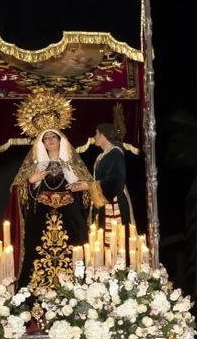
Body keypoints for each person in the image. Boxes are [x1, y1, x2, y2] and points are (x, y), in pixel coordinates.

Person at [11, 127, 91, 289]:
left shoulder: (72, 164)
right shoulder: (36, 165)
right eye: (46, 138)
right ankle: (36, 288)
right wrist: (30, 181)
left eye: (53, 136)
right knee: (36, 249)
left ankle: (75, 289)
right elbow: (17, 189)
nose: (50, 140)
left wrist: (81, 186)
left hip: (70, 217)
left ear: (61, 140)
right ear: (42, 143)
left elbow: (88, 191)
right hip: (40, 218)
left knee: (74, 248)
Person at [68, 109, 133, 244]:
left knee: (115, 238)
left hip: (113, 201)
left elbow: (115, 182)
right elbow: (98, 180)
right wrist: (81, 184)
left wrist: (88, 186)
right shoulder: (102, 156)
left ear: (104, 135)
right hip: (102, 201)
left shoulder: (115, 154)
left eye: (97, 134)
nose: (95, 137)